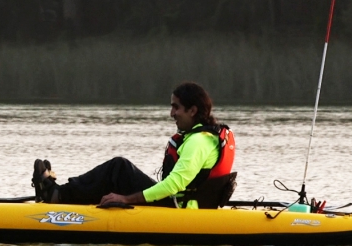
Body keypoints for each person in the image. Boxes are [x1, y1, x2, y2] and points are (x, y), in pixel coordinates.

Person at [31, 81, 234, 209]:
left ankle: (57, 195)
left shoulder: (198, 141)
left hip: (178, 208)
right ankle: (64, 196)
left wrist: (127, 200)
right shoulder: (206, 137)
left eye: (176, 107)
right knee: (118, 172)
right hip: (184, 203)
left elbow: (174, 185)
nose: (172, 113)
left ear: (192, 110)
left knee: (119, 168)